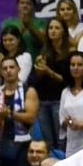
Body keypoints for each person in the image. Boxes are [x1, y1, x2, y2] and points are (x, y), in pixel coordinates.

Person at [0, 56, 38, 166]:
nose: (8, 71)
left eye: (11, 67)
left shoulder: (28, 91)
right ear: (1, 72)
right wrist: (1, 117)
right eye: (5, 68)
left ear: (18, 69)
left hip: (22, 144)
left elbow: (31, 117)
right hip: (1, 143)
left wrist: (10, 113)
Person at [30, 17, 70, 152]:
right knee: (48, 142)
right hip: (43, 101)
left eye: (57, 28)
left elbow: (67, 80)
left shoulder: (69, 53)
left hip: (60, 101)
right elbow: (35, 81)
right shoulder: (43, 54)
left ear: (64, 31)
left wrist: (48, 71)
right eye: (50, 28)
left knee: (61, 140)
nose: (53, 31)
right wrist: (39, 72)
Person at [59, 50, 83, 157]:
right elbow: (61, 119)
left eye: (80, 65)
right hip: (72, 142)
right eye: (72, 65)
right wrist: (67, 122)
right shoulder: (65, 92)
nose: (75, 68)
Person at [0, 25, 32, 90]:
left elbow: (21, 81)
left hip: (19, 94)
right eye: (5, 40)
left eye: (11, 40)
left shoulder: (25, 56)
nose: (7, 43)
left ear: (18, 40)